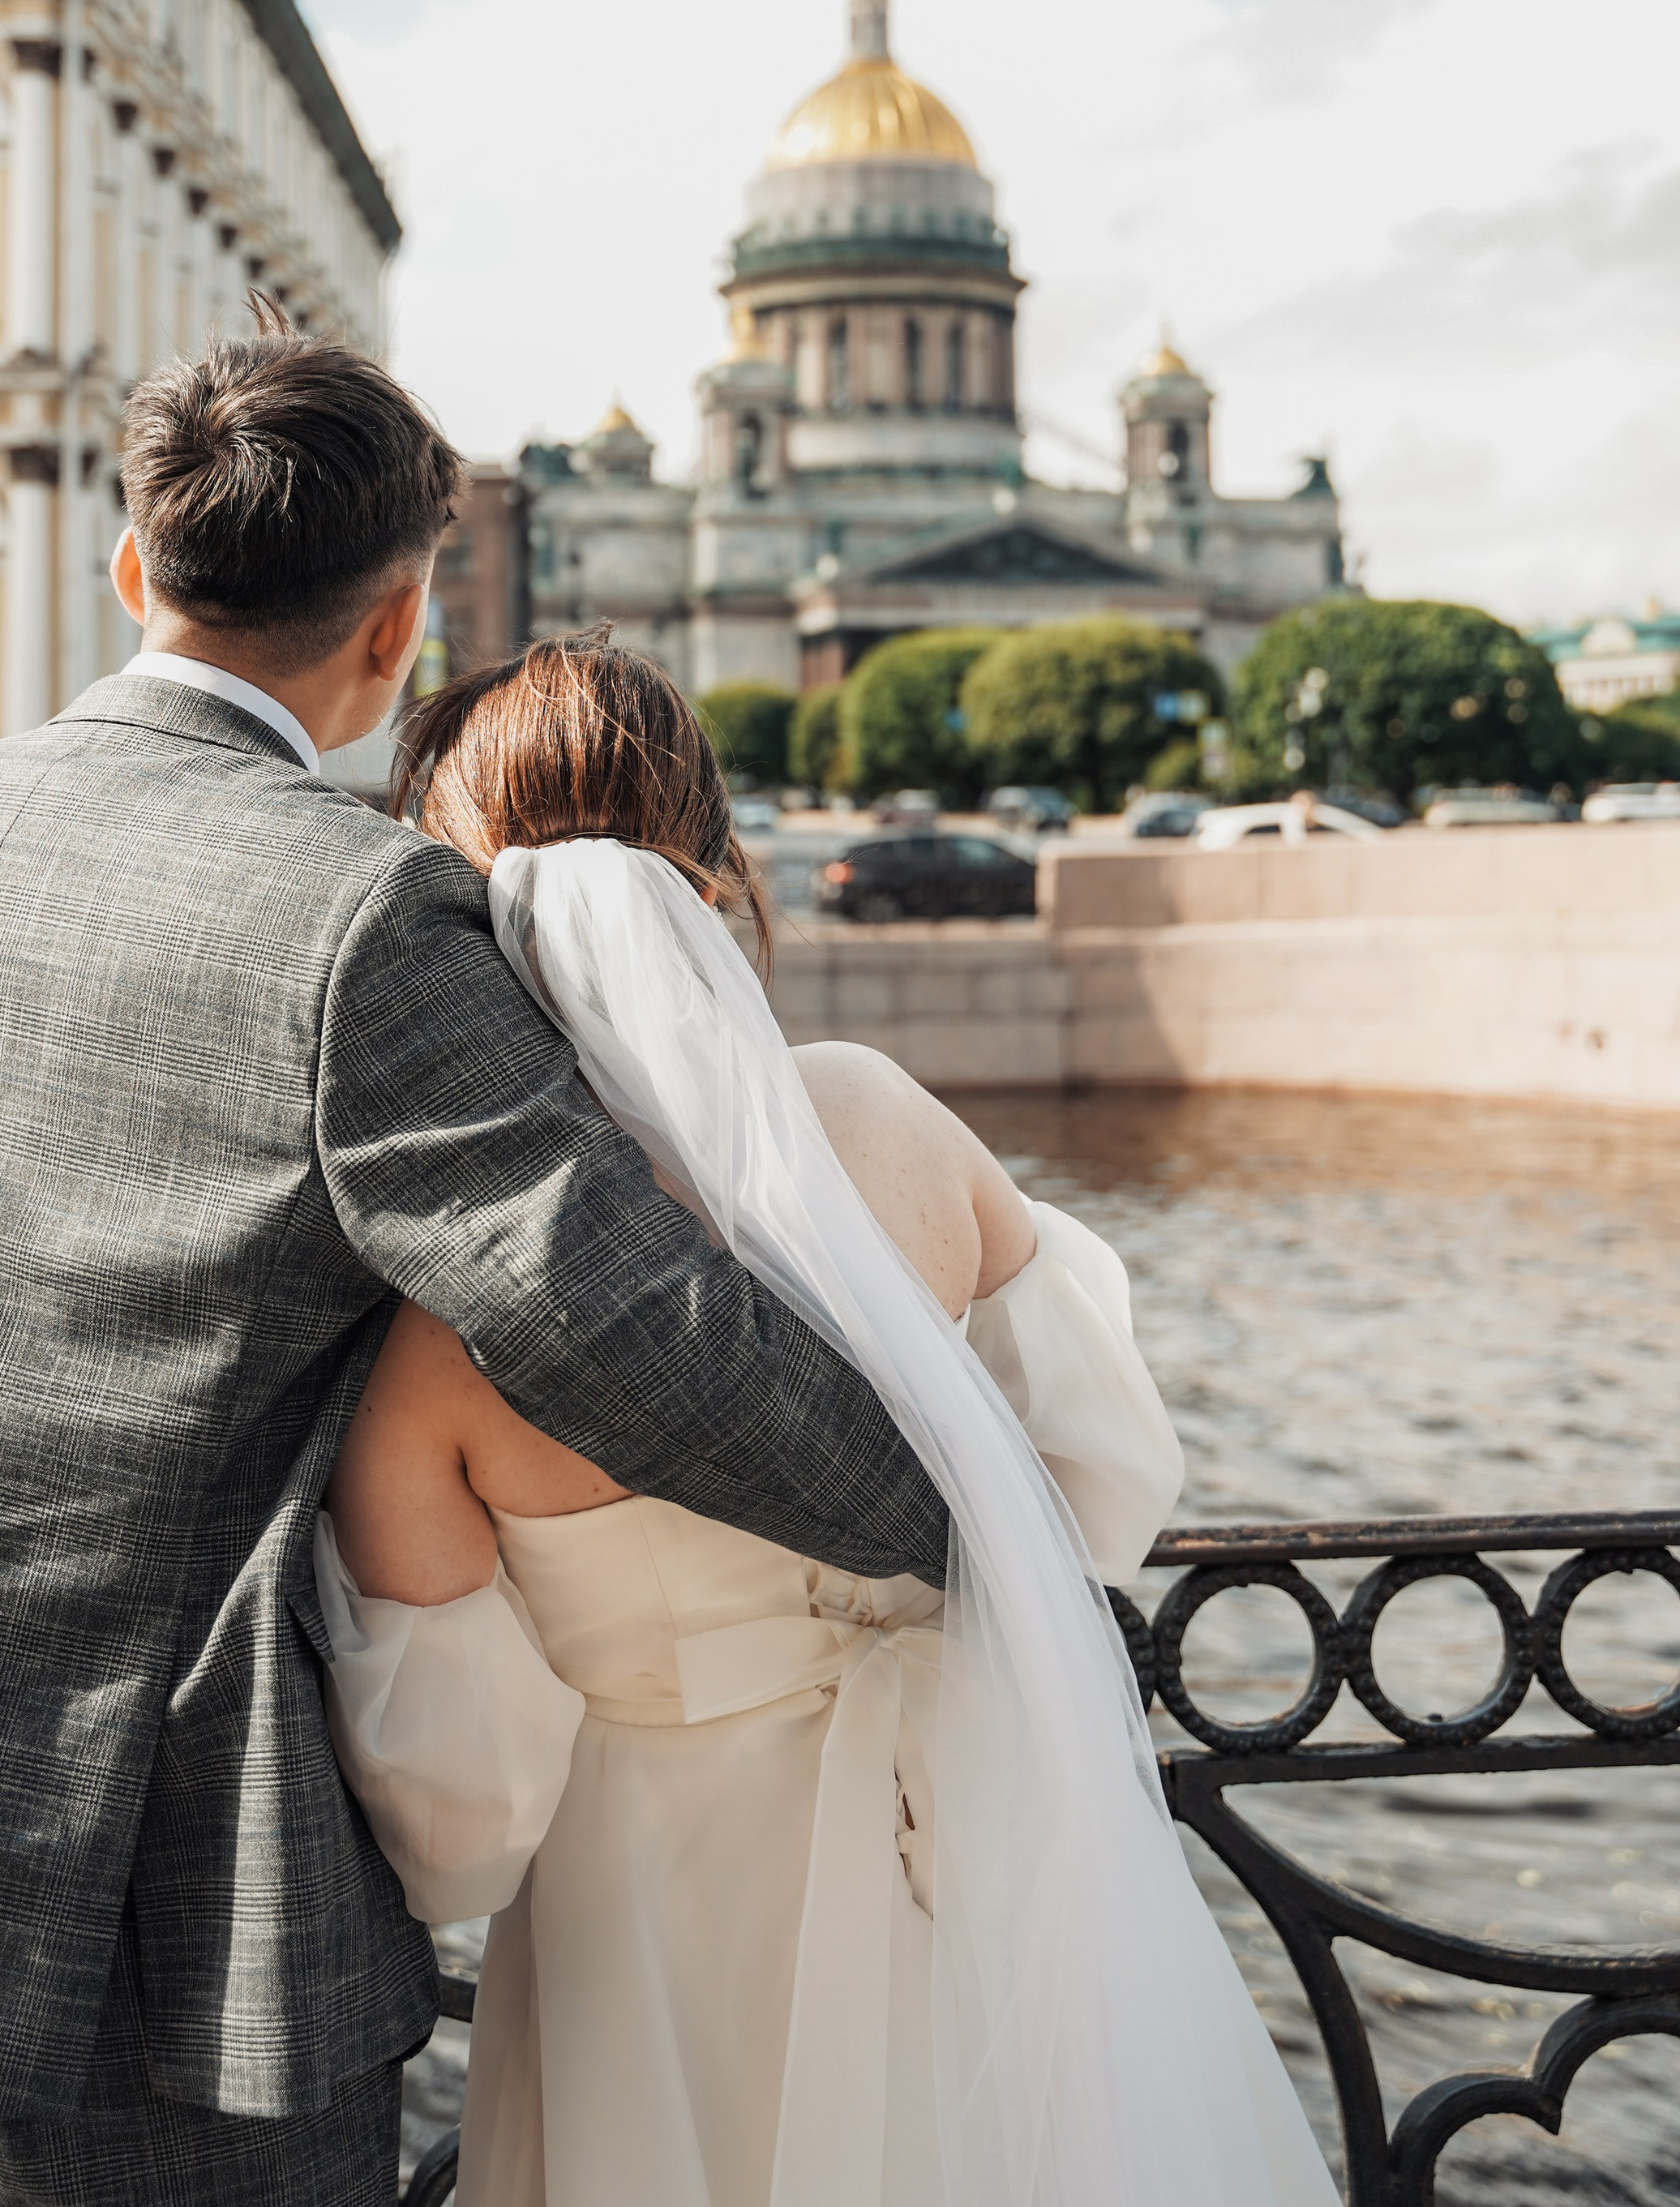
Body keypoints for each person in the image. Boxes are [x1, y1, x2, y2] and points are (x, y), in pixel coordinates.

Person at [0, 312, 953, 2207]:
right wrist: (951, 1522)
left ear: (134, 565)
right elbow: (608, 1318)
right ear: (394, 627)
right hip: (174, 1927)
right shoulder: (364, 916)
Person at [319, 637, 1343, 2207]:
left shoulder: (437, 1338)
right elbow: (1105, 1478)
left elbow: (461, 1832)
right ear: (720, 877)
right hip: (979, 1897)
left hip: (645, 1961)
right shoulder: (884, 1123)